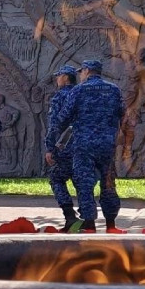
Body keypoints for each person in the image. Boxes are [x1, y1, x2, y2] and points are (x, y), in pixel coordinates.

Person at [45, 60, 124, 232]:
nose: (80, 75)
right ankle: (111, 224)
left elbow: (62, 119)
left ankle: (90, 224)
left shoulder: (78, 90)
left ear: (87, 71)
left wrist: (54, 142)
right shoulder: (114, 89)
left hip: (84, 145)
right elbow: (122, 113)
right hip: (107, 144)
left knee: (84, 184)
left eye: (81, 71)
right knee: (108, 182)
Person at [43, 65, 79, 229]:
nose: (57, 79)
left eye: (59, 76)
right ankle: (88, 220)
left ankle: (70, 217)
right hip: (83, 146)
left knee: (56, 178)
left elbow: (55, 125)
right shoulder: (81, 94)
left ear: (65, 77)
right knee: (81, 181)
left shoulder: (60, 96)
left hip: (64, 146)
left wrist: (50, 148)